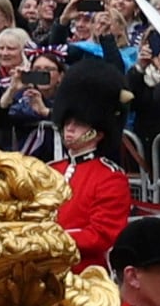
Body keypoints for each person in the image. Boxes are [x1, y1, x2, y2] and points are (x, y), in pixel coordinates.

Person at [46, 63, 135, 264]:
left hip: (83, 271)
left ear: (98, 132)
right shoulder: (52, 169)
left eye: (78, 124)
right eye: (67, 123)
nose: (69, 130)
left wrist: (51, 240)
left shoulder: (110, 178)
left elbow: (101, 235)